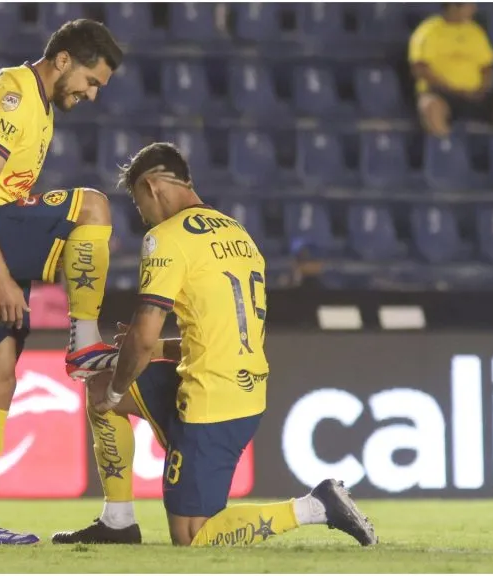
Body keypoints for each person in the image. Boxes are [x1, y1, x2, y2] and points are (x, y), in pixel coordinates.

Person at [52, 143, 377, 547]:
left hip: (212, 402)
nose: (143, 217)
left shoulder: (166, 239)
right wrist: (151, 354)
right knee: (100, 385)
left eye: (139, 205)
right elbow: (216, 333)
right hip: (236, 384)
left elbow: (144, 330)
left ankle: (316, 505)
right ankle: (118, 521)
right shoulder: (237, 233)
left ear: (152, 187)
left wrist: (130, 370)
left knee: (192, 535)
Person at [0, 20, 124, 545]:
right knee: (95, 207)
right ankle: (85, 341)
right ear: (63, 60)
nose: (92, 93)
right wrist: (1, 276)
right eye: (91, 80)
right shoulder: (12, 96)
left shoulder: (38, 106)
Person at [410, 3, 493, 141]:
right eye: (469, 5)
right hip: (443, 94)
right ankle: (449, 154)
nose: (474, 9)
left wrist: (482, 89)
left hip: (476, 96)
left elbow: (487, 67)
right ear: (453, 6)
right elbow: (419, 69)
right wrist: (450, 89)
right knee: (430, 106)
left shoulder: (475, 31)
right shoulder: (428, 30)